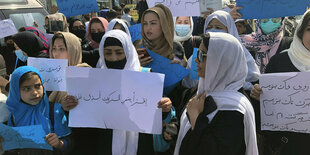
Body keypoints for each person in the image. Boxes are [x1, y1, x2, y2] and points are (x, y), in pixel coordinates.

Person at [174, 32, 258, 155]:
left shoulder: (234, 109)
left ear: (222, 60)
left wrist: (197, 121)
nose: (196, 60)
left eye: (202, 55)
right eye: (198, 53)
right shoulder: (201, 93)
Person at [250, 10, 310, 155]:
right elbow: (264, 113)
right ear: (300, 32)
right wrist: (259, 95)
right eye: (309, 29)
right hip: (286, 146)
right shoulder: (279, 62)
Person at [0, 66, 73, 154]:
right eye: (27, 88)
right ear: (16, 91)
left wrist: (59, 143)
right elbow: (12, 150)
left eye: (38, 86)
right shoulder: (14, 115)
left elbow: (70, 144)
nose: (35, 92)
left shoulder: (54, 110)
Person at [204, 10, 260, 91]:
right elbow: (189, 83)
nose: (212, 31)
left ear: (230, 30)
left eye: (218, 28)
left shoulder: (240, 55)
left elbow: (253, 78)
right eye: (209, 27)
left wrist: (249, 87)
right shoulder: (198, 55)